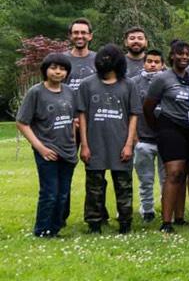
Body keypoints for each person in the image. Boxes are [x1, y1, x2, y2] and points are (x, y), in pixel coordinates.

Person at [74, 45, 137, 234]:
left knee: (124, 186)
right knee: (94, 187)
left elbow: (134, 115)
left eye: (110, 58)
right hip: (94, 144)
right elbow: (82, 115)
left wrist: (129, 144)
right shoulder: (87, 84)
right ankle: (94, 223)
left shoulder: (129, 85)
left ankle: (125, 223)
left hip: (120, 144)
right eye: (103, 58)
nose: (105, 61)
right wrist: (84, 145)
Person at [144, 41, 189, 233]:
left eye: (188, 54)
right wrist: (159, 127)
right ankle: (166, 221)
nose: (184, 57)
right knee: (174, 172)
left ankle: (180, 217)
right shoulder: (162, 78)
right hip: (170, 127)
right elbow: (148, 106)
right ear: (172, 56)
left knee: (185, 172)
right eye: (180, 54)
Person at [18, 54, 78, 237]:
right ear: (45, 70)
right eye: (53, 68)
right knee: (50, 192)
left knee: (63, 194)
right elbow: (22, 122)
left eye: (62, 68)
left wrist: (74, 144)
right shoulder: (35, 92)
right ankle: (42, 230)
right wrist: (40, 147)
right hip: (47, 152)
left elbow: (72, 121)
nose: (58, 71)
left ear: (67, 72)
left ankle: (55, 228)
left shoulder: (69, 92)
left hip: (68, 152)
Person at [130, 50, 166, 223]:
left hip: (166, 139)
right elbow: (131, 112)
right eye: (149, 61)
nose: (153, 64)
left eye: (157, 62)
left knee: (167, 179)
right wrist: (135, 138)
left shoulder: (169, 81)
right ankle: (147, 209)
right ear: (143, 63)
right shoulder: (134, 83)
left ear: (163, 64)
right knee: (145, 179)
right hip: (143, 139)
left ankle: (168, 208)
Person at [62, 18, 96, 92]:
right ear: (70, 36)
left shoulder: (98, 60)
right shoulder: (61, 60)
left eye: (83, 32)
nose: (80, 36)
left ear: (90, 36)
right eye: (76, 33)